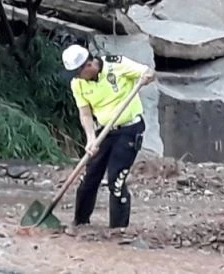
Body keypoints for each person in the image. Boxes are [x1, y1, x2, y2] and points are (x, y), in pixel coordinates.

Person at [61, 44, 155, 229]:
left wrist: (147, 77)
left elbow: (148, 72)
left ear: (88, 65)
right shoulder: (77, 83)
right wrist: (90, 139)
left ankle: (118, 230)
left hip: (129, 129)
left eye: (78, 72)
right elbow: (85, 114)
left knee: (116, 180)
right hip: (104, 131)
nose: (76, 77)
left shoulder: (116, 65)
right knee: (89, 177)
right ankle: (80, 223)